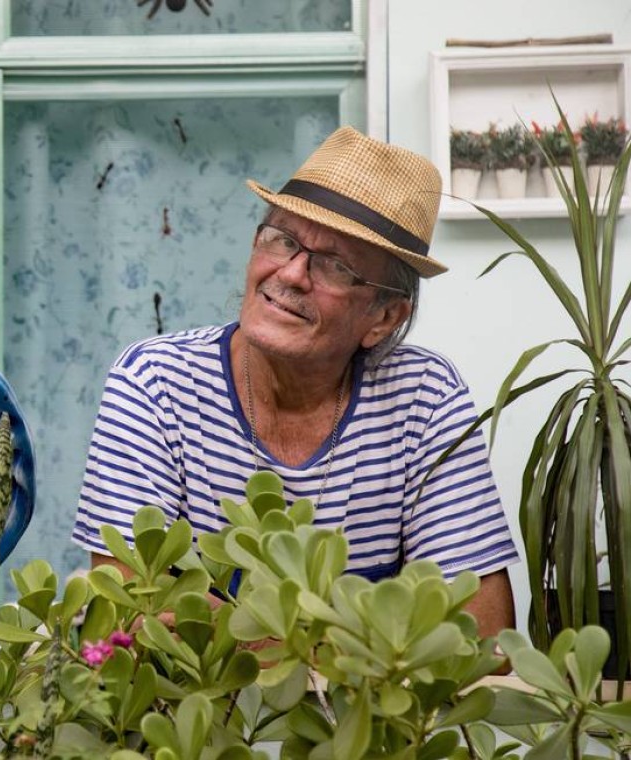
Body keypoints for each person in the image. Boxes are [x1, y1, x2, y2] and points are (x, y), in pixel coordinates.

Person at [73, 127, 517, 640]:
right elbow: (121, 617)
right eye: (283, 240)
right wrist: (367, 638)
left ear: (384, 318)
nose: (290, 274)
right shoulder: (154, 382)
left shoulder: (425, 397)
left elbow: (483, 634)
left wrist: (236, 630)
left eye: (335, 266)